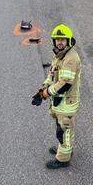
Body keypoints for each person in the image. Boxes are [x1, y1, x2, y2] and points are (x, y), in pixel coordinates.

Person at [35, 24, 82, 169]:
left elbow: (65, 83)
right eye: (57, 39)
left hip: (67, 104)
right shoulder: (59, 55)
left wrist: (46, 92)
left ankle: (63, 159)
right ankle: (64, 149)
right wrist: (42, 89)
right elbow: (52, 74)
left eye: (63, 39)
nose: (60, 42)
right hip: (59, 102)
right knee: (61, 129)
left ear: (68, 41)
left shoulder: (70, 59)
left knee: (64, 131)